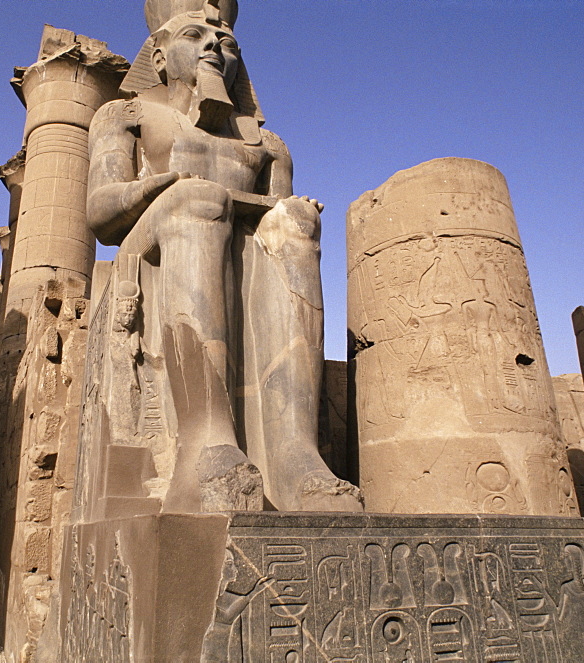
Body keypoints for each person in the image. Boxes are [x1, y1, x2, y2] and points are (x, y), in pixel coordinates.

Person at [86, 0, 362, 512]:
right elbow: (101, 213)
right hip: (152, 240)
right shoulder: (126, 115)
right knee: (200, 200)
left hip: (225, 234)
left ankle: (295, 456)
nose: (215, 45)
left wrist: (288, 210)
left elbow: (275, 209)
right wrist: (160, 185)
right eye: (195, 35)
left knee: (296, 223)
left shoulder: (269, 143)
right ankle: (206, 440)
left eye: (227, 42)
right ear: (161, 57)